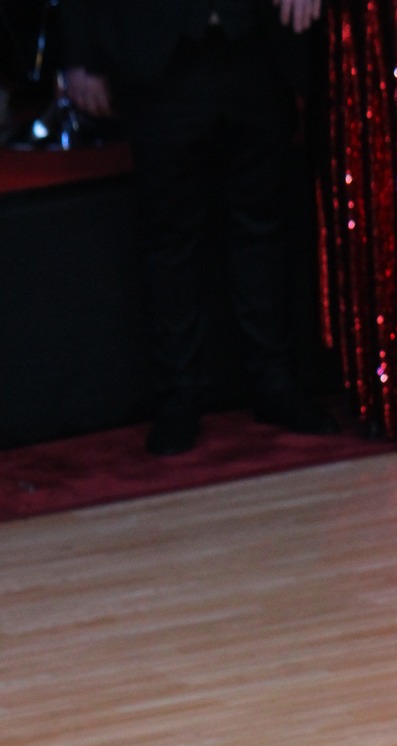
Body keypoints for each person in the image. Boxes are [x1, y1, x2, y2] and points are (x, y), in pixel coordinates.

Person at [62, 0, 336, 454]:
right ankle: (177, 397)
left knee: (265, 221)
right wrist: (78, 53)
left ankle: (275, 383)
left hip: (258, 40)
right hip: (156, 46)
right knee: (169, 234)